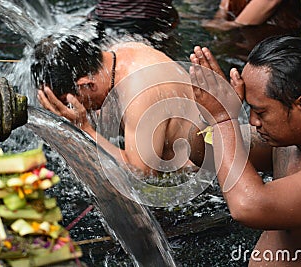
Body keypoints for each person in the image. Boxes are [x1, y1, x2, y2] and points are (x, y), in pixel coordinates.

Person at [189, 36, 301, 265]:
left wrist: (223, 119)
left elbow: (249, 206)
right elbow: (200, 151)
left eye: (261, 112)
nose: (253, 121)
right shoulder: (287, 140)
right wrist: (210, 112)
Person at [31, 34, 204, 175]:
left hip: (197, 177)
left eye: (66, 102)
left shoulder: (140, 91)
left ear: (87, 85)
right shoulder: (119, 53)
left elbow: (142, 174)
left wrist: (84, 128)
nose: (70, 108)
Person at [203, 0, 301, 32]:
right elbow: (223, 10)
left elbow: (238, 24)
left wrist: (200, 23)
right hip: (242, 31)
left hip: (268, 36)